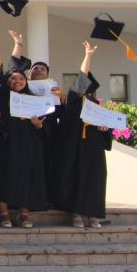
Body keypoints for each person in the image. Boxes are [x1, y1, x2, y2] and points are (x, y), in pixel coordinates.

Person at [49, 41, 112, 228]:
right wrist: (88, 55)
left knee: (94, 181)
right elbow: (82, 76)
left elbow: (107, 131)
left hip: (93, 151)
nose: (88, 91)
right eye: (85, 88)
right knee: (76, 179)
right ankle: (76, 214)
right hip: (74, 148)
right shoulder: (73, 102)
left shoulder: (97, 108)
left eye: (90, 90)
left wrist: (105, 129)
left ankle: (92, 215)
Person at [0, 36, 52, 228]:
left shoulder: (35, 100)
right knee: (5, 176)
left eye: (21, 78)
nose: (17, 81)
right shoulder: (3, 95)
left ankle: (25, 213)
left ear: (27, 82)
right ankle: (4, 214)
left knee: (27, 177)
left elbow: (46, 127)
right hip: (7, 142)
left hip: (28, 144)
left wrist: (38, 125)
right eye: (13, 78)